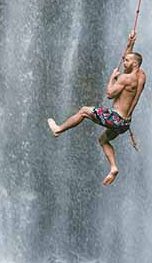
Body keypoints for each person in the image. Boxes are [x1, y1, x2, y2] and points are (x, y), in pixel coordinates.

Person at [48, 29, 147, 186]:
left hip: (115, 118)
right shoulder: (141, 76)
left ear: (134, 63)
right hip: (125, 123)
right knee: (103, 140)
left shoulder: (125, 79)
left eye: (126, 61)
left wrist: (112, 78)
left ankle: (58, 129)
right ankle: (113, 167)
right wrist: (131, 43)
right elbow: (130, 62)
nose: (124, 61)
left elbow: (109, 94)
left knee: (84, 111)